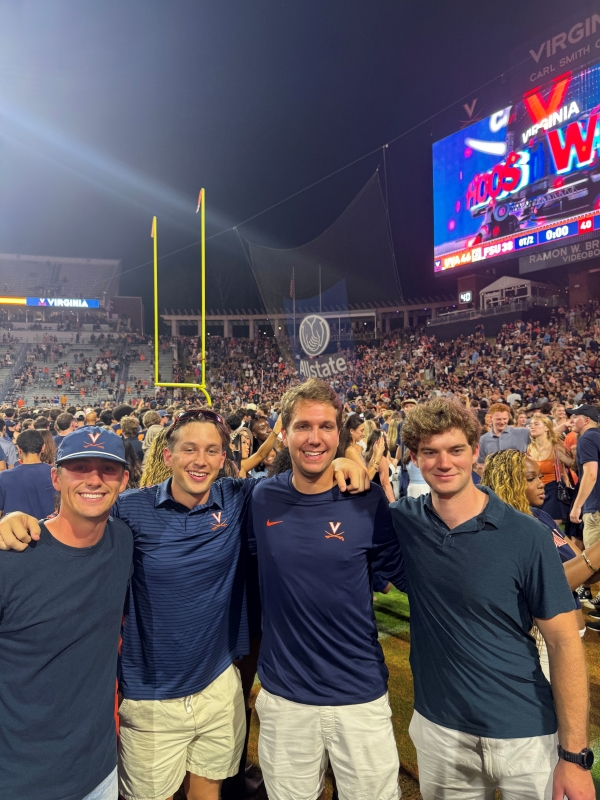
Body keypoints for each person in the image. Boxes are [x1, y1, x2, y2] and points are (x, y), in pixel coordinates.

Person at [0, 407, 365, 800]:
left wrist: (345, 458)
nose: (200, 460)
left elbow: (296, 482)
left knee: (207, 793)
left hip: (217, 688)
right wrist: (19, 521)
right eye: (189, 449)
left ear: (224, 459)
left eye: (211, 450)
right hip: (150, 698)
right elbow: (80, 520)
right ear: (167, 455)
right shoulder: (131, 510)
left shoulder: (239, 498)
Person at [391, 398, 594, 800]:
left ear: (475, 451)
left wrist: (574, 756)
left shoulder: (527, 535)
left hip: (525, 733)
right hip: (441, 732)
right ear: (415, 457)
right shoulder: (404, 520)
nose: (444, 462)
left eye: (455, 450)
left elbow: (564, 641)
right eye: (430, 452)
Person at [250, 379, 405, 799]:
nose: (314, 438)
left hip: (359, 695)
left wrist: (355, 459)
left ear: (339, 433)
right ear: (284, 433)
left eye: (325, 427)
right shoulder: (262, 498)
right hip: (286, 698)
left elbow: (406, 576)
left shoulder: (367, 501)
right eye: (302, 426)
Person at [0, 427, 132, 800]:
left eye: (107, 469)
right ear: (55, 477)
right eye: (80, 468)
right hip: (21, 781)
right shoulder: (11, 556)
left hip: (99, 771)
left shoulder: (123, 540)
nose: (94, 479)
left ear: (123, 480)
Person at [567, 404, 600, 610]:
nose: (571, 421)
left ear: (586, 420)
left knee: (595, 558)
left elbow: (590, 474)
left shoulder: (587, 438)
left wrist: (577, 506)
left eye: (575, 417)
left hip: (595, 506)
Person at [527, 413, 574, 524]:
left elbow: (572, 465)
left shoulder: (555, 446)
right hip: (535, 492)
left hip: (553, 491)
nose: (532, 427)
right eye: (531, 424)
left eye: (536, 424)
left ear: (546, 428)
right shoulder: (530, 448)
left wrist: (576, 453)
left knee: (551, 528)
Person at [0, 430, 55, 518]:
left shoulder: (4, 477)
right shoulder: (55, 474)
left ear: (18, 449)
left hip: (17, 530)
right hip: (49, 529)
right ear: (43, 447)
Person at [476, 402, 529, 474]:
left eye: (505, 419)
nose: (502, 422)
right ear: (491, 418)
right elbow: (480, 464)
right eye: (498, 419)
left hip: (520, 480)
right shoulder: (483, 439)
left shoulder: (523, 433)